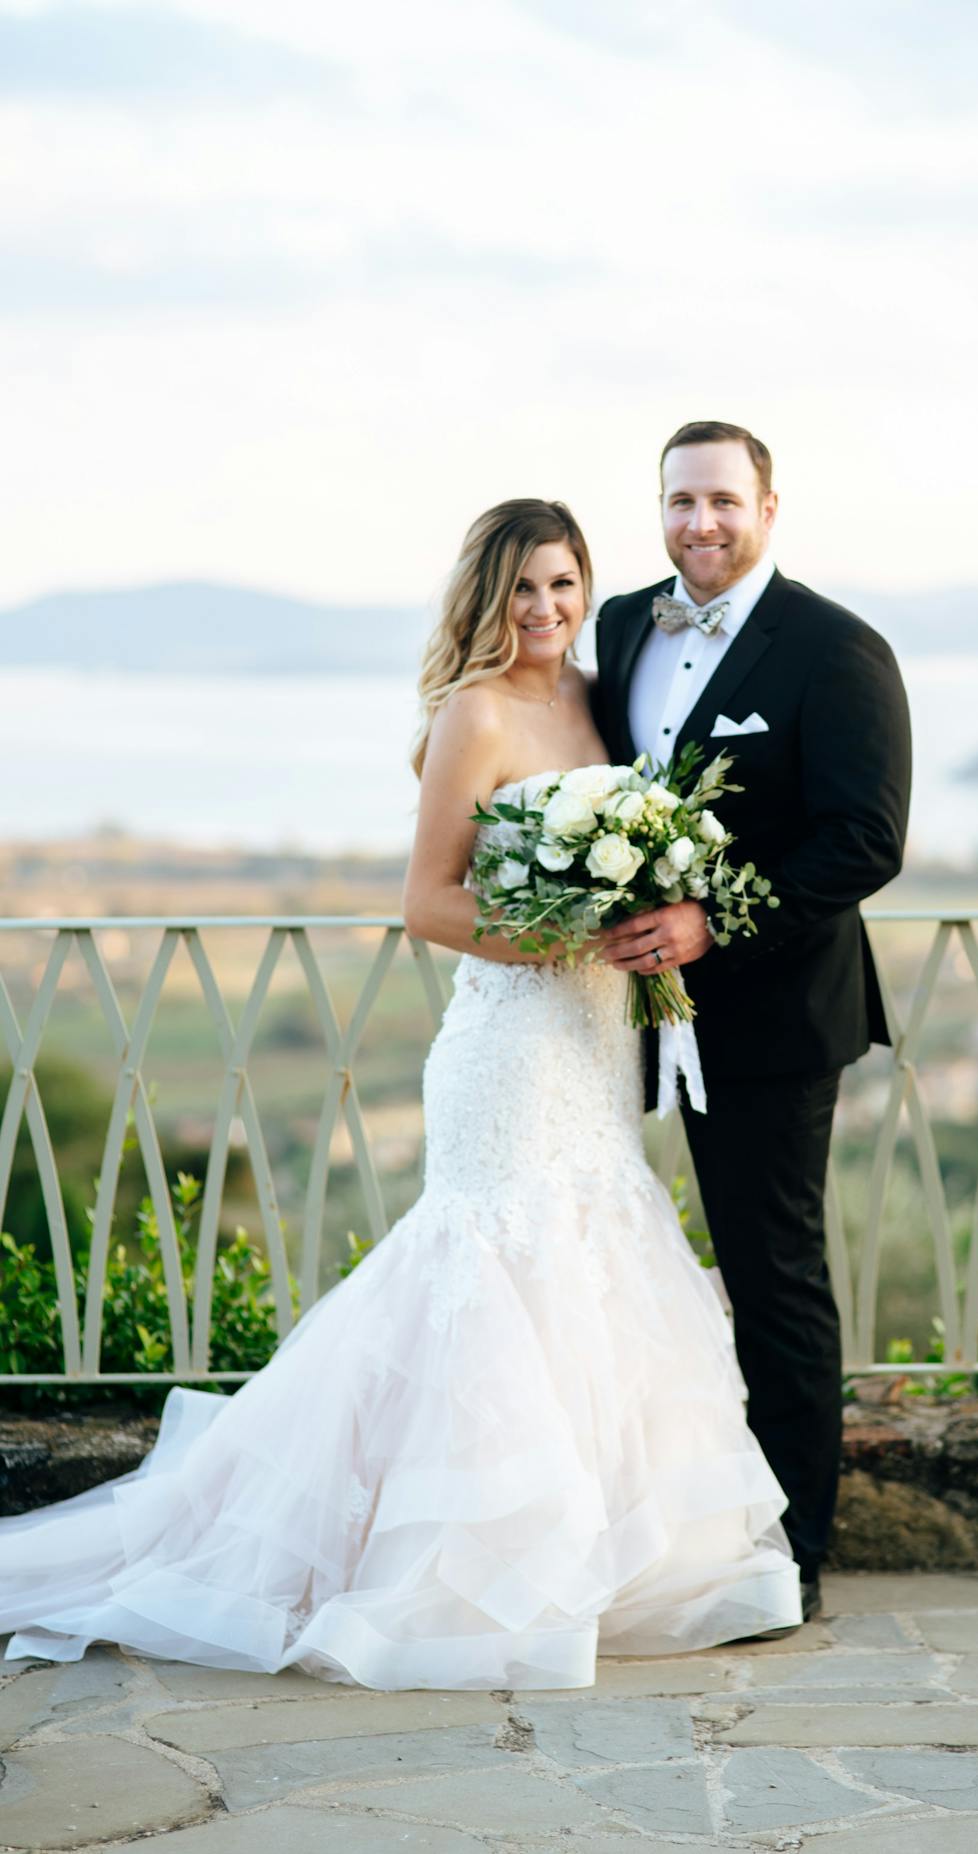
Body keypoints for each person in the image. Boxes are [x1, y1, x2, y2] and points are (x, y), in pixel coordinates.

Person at [0, 498, 800, 1691]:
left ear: (590, 590)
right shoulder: (472, 713)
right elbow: (429, 904)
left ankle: (598, 1558)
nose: (547, 610)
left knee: (591, 1268)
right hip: (511, 1041)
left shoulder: (598, 698)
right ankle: (457, 1561)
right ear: (486, 596)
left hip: (593, 1047)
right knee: (488, 1277)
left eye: (565, 585)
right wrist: (567, 936)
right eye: (524, 589)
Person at [594, 423, 912, 1621]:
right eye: (680, 502)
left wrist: (714, 928)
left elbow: (865, 840)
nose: (700, 524)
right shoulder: (622, 621)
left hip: (772, 1017)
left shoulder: (836, 651)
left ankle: (793, 1545)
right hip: (617, 1008)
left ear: (770, 508)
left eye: (724, 501)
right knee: (605, 1256)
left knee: (771, 1277)